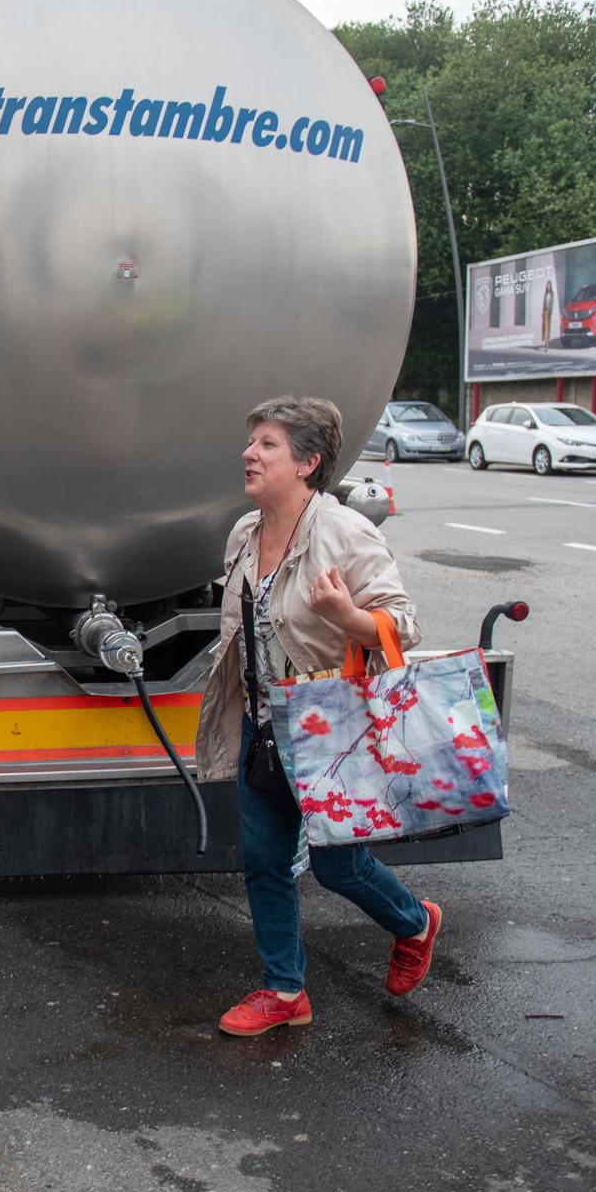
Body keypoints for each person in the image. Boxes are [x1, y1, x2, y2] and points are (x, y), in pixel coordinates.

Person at [198, 395, 442, 1037]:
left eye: (268, 445)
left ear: (307, 463)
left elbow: (403, 623)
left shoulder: (344, 532)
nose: (249, 454)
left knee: (338, 866)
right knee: (263, 863)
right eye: (252, 442)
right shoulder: (245, 534)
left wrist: (346, 617)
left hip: (328, 730)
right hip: (262, 727)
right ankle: (284, 991)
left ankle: (416, 922)